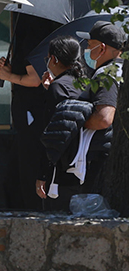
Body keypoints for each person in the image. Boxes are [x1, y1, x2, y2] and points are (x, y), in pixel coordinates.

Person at [0, 14, 60, 210]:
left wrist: (9, 76)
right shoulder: (45, 36)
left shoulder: (32, 38)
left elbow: (35, 79)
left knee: (26, 172)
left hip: (31, 114)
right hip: (32, 114)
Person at [34, 36, 85, 210]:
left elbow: (51, 135)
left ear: (54, 59)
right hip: (81, 164)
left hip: (60, 170)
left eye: (48, 58)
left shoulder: (58, 87)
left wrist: (42, 174)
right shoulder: (84, 83)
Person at [76, 20, 126, 195]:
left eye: (90, 45)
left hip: (103, 159)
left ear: (102, 48)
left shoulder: (106, 75)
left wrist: (78, 124)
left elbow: (104, 118)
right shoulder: (123, 71)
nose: (87, 50)